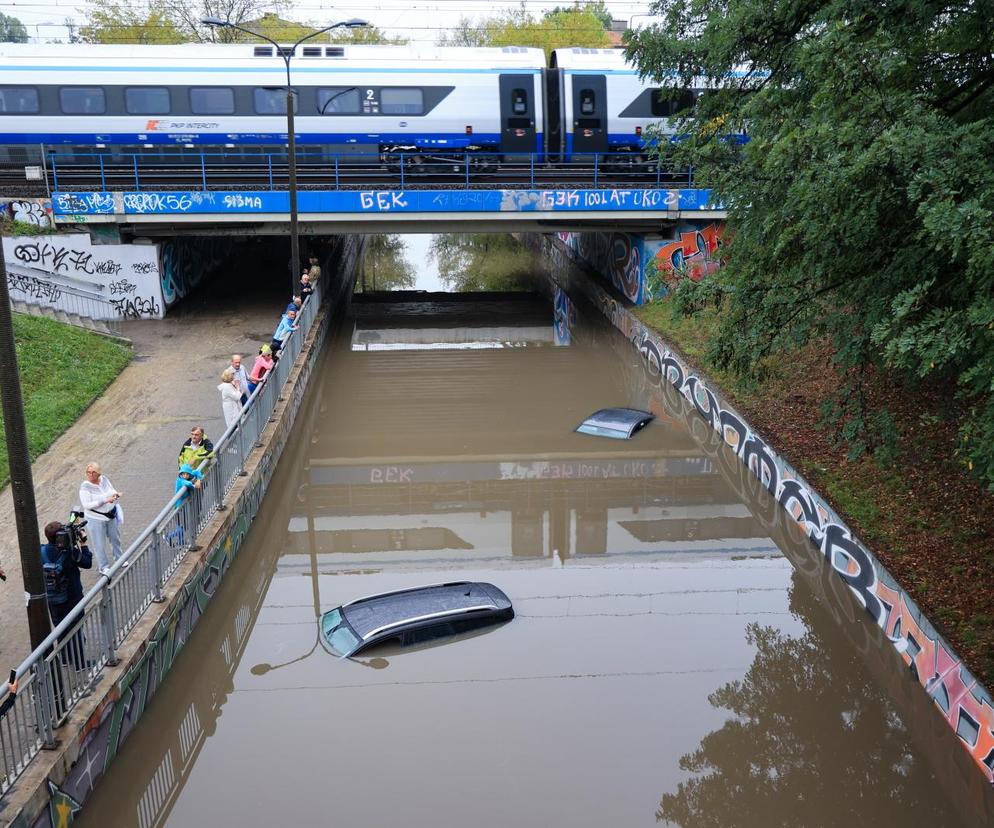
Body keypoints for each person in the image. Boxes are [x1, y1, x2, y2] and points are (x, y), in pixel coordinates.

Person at [78, 462, 122, 575]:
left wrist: (115, 495)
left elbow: (111, 490)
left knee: (115, 538)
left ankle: (119, 559)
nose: (91, 474)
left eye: (94, 472)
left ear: (99, 473)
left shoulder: (104, 479)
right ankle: (103, 566)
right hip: (95, 519)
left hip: (110, 515)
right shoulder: (85, 487)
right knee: (99, 544)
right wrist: (104, 500)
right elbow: (86, 505)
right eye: (88, 472)